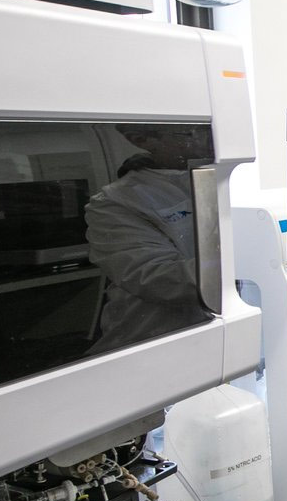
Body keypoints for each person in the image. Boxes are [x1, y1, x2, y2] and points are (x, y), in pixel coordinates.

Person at [84, 127, 212, 354]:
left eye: (209, 131)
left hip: (220, 335)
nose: (208, 141)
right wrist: (247, 261)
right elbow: (158, 278)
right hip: (151, 344)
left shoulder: (231, 179)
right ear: (141, 139)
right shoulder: (115, 202)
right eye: (191, 133)